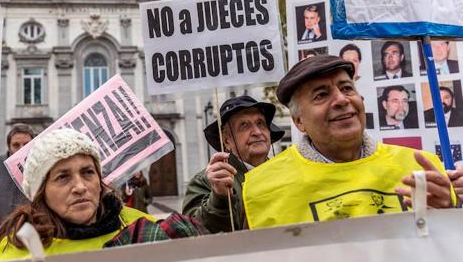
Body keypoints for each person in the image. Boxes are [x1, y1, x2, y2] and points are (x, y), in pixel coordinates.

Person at [242, 55, 455, 230]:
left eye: (346, 88)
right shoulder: (261, 188)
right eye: (321, 95)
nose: (342, 100)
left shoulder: (420, 167)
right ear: (299, 122)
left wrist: (451, 215)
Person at [0, 129, 154, 260]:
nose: (80, 187)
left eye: (88, 172)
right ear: (41, 191)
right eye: (63, 177)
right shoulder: (15, 252)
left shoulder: (145, 230)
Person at [182, 95, 284, 233]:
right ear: (227, 141)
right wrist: (219, 197)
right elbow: (194, 231)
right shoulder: (206, 182)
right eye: (244, 125)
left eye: (261, 123)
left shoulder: (286, 171)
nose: (257, 132)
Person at [0, 124, 35, 227]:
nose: (21, 149)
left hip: (30, 228)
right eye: (16, 145)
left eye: (26, 145)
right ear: (9, 146)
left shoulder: (41, 165)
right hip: (0, 228)